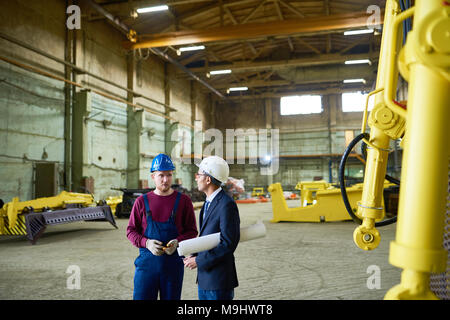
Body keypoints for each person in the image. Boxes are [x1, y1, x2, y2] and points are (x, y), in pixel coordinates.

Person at [127, 153, 198, 300]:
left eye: (169, 175)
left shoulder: (184, 201)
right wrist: (146, 242)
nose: (166, 180)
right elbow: (131, 231)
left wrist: (178, 242)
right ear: (153, 176)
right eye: (161, 175)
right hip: (147, 267)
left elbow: (192, 231)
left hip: (173, 268)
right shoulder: (141, 201)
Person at [183, 155, 240, 300]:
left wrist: (199, 261)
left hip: (219, 281)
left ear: (208, 179)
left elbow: (228, 244)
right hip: (206, 279)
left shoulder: (226, 205)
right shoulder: (208, 203)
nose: (196, 178)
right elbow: (208, 238)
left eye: (199, 175)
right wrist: (195, 254)